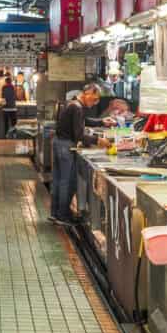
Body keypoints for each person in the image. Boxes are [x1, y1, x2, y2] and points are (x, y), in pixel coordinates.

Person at [51, 83, 107, 226]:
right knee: (67, 182)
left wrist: (102, 122)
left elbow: (83, 120)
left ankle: (56, 213)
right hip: (65, 147)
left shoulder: (73, 104)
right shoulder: (76, 107)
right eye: (95, 98)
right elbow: (79, 135)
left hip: (59, 143)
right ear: (87, 93)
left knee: (58, 180)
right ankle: (63, 216)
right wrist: (98, 140)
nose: (95, 103)